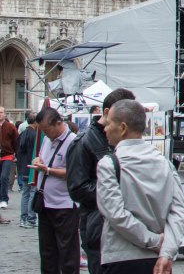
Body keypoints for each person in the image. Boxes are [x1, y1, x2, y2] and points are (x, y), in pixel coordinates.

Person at [96, 99, 184, 274]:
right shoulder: (164, 163)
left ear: (122, 128)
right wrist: (166, 252)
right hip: (157, 259)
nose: (105, 129)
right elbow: (178, 212)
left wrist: (154, 242)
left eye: (108, 124)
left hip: (121, 257)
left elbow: (115, 214)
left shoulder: (109, 164)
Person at [66, 87, 136, 274]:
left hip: (128, 225)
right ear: (107, 113)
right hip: (99, 226)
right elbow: (77, 188)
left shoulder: (125, 139)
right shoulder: (84, 142)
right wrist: (114, 189)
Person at [31, 107, 79, 274]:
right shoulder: (47, 139)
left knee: (67, 253)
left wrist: (48, 170)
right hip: (45, 203)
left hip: (64, 205)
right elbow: (43, 157)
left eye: (46, 130)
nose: (45, 134)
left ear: (58, 123)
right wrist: (38, 160)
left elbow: (73, 172)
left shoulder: (73, 142)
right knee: (47, 252)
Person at [16, 118, 38, 229]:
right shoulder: (35, 135)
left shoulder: (22, 133)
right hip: (32, 167)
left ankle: (23, 218)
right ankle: (31, 218)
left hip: (23, 167)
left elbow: (18, 152)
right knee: (32, 192)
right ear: (35, 123)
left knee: (25, 193)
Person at [0, 107, 17, 209]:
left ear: (5, 114)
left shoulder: (10, 127)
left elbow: (16, 140)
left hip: (7, 155)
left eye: (1, 112)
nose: (0, 114)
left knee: (4, 177)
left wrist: (15, 153)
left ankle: (3, 199)